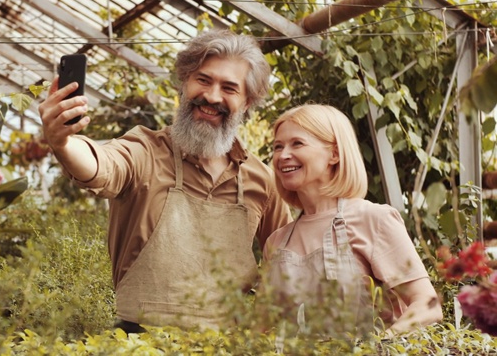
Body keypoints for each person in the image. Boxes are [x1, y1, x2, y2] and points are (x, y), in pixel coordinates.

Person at [38, 29, 291, 333]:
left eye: (229, 88)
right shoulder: (145, 151)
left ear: (247, 102)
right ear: (184, 83)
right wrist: (63, 143)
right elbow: (100, 165)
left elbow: (286, 263)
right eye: (203, 80)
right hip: (139, 344)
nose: (212, 96)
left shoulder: (261, 180)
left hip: (226, 347)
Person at [262, 104, 442, 338]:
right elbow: (263, 329)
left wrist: (379, 346)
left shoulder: (374, 220)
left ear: (334, 154)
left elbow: (427, 305)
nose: (283, 155)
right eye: (278, 146)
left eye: (297, 143)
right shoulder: (276, 242)